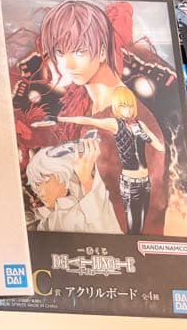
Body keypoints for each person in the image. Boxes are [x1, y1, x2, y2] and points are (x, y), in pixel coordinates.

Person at [34, 0, 169, 234]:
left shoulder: (129, 116)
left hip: (125, 242)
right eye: (60, 52)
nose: (68, 64)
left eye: (79, 51)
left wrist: (85, 182)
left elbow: (144, 212)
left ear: (102, 49)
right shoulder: (91, 106)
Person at [61, 85, 165, 234]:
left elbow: (159, 147)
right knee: (134, 229)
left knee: (140, 225)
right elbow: (87, 120)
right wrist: (59, 118)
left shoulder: (140, 125)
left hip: (145, 183)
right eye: (123, 106)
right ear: (117, 107)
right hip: (130, 183)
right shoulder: (116, 124)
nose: (127, 110)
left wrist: (144, 135)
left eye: (130, 106)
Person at [25, 137, 121, 233]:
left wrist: (86, 180)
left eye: (44, 181)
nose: (38, 190)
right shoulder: (45, 221)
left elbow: (105, 229)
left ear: (62, 175)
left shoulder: (80, 207)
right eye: (36, 185)